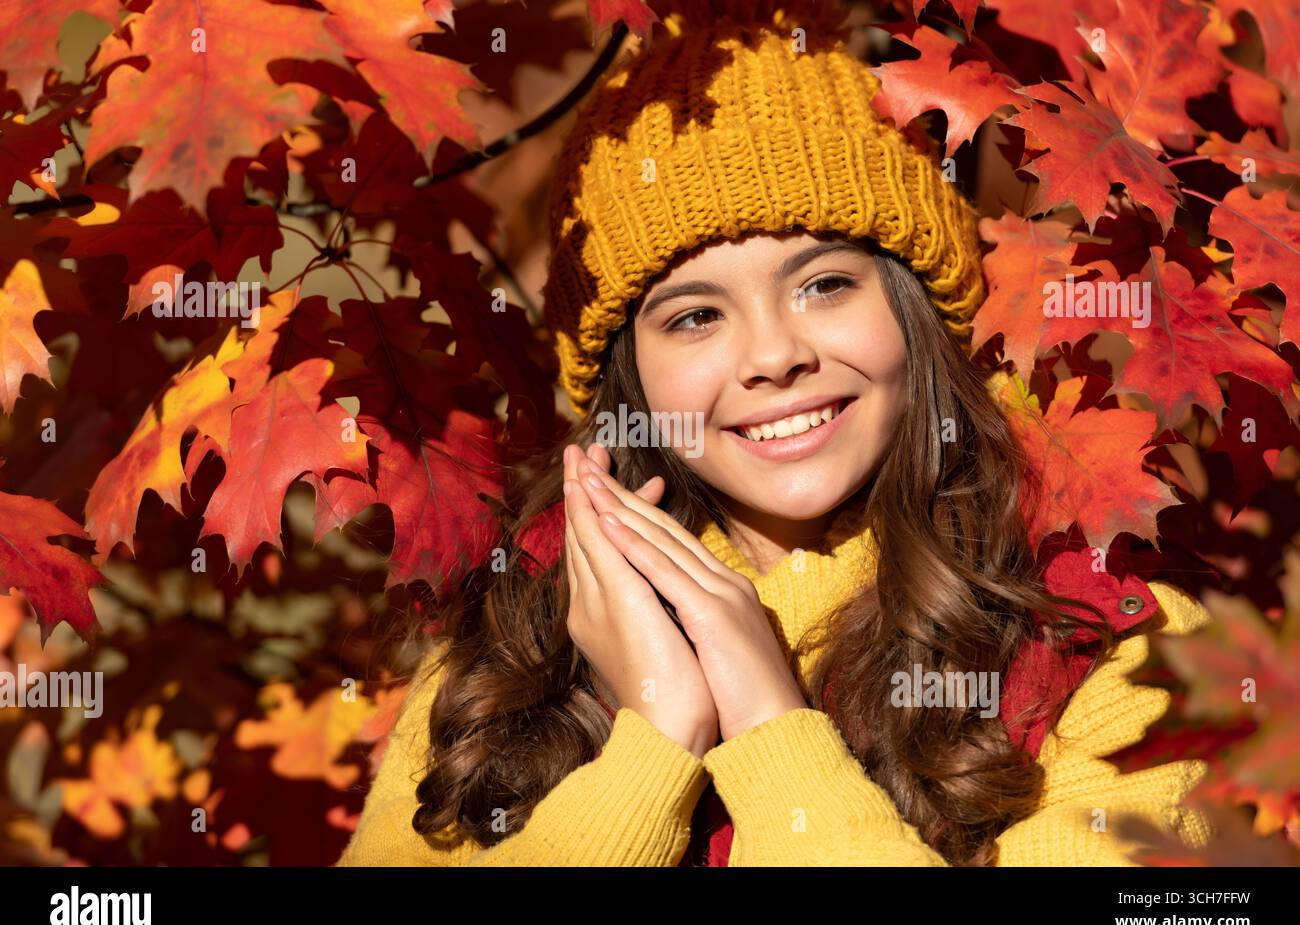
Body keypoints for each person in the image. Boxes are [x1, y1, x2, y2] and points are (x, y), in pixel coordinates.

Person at [336, 0, 1212, 867]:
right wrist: (654, 740)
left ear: (918, 311)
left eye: (825, 285)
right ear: (626, 376)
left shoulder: (1104, 639)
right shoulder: (514, 639)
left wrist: (769, 729)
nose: (773, 356)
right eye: (692, 317)